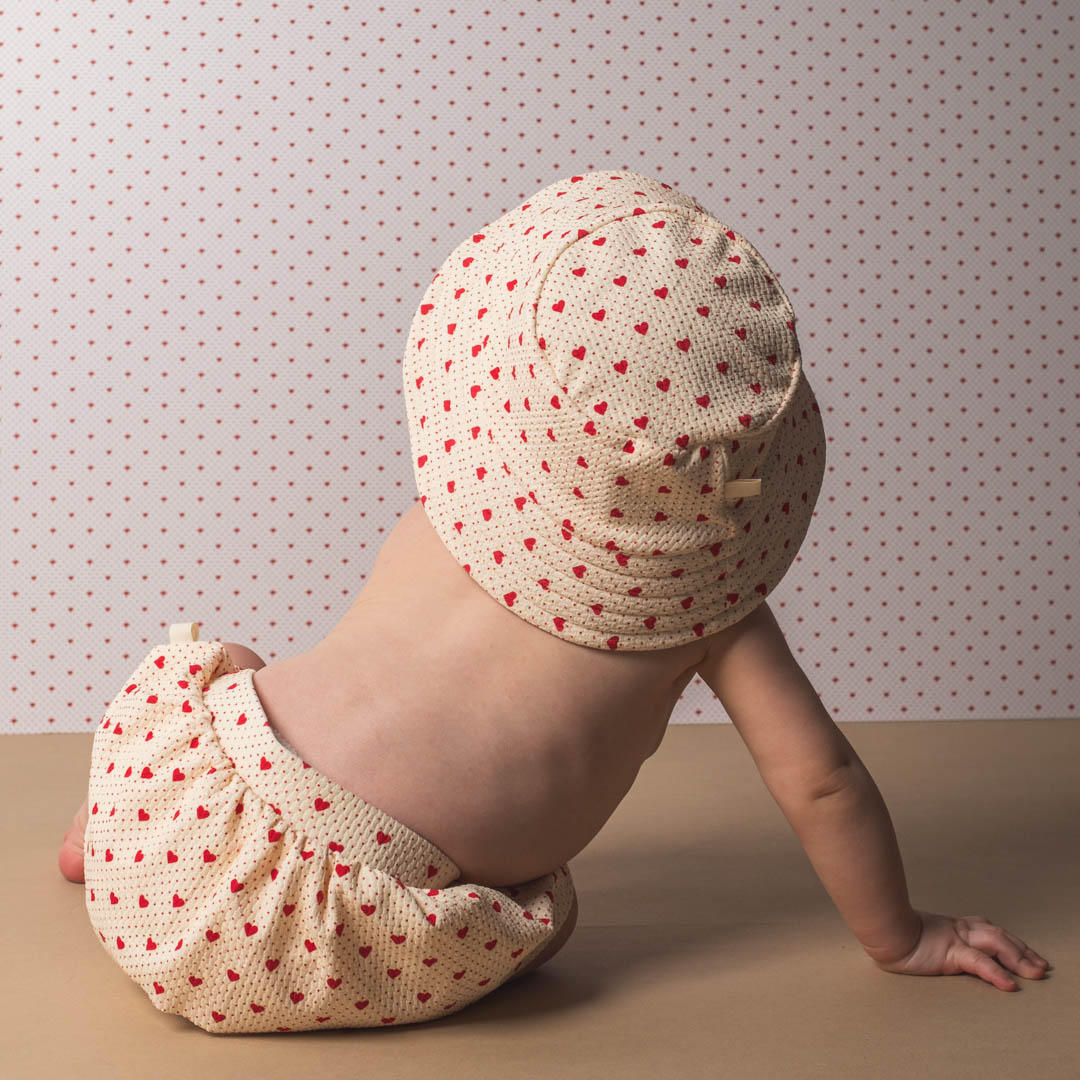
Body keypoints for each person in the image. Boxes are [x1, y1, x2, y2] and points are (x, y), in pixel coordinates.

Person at [59, 170, 1049, 1033]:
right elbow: (822, 784)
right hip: (335, 931)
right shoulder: (715, 625)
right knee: (545, 919)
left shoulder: (446, 510)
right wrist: (899, 937)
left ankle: (98, 844)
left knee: (231, 667)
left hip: (176, 807)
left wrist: (149, 825)